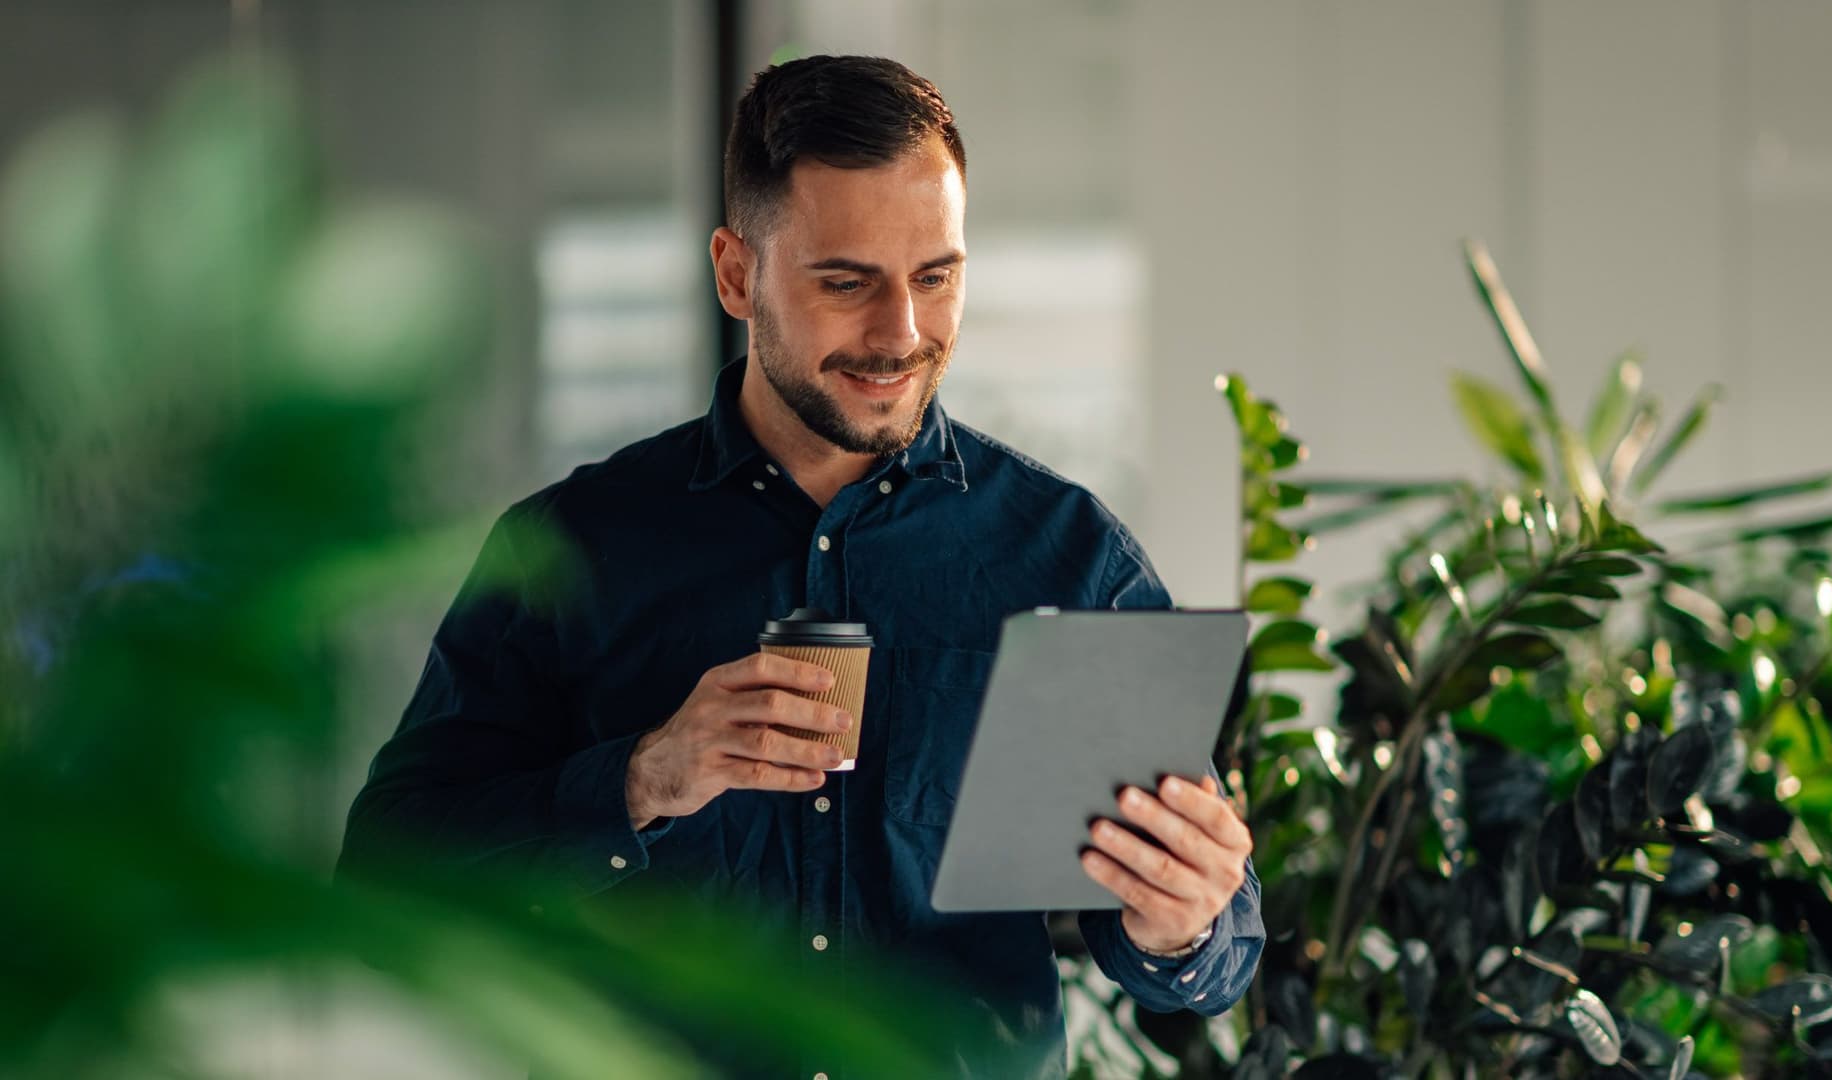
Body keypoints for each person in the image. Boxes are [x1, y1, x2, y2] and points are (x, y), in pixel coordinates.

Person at [338, 54, 1262, 1078]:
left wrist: (1185, 922)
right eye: (846, 282)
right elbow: (388, 873)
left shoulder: (1066, 556)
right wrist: (642, 779)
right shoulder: (571, 550)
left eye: (935, 277)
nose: (900, 334)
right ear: (737, 273)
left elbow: (1207, 957)